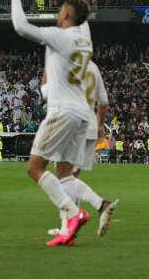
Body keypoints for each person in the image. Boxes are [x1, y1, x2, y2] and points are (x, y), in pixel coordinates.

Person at [8, 0, 93, 246]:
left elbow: (21, 27)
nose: (58, 12)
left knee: (34, 168)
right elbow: (82, 20)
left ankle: (72, 212)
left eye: (62, 9)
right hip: (82, 114)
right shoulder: (84, 38)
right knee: (64, 171)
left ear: (67, 13)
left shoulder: (61, 37)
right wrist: (77, 0)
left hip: (63, 111)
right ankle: (68, 232)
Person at [43, 61, 118, 238]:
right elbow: (104, 101)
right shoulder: (91, 66)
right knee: (70, 178)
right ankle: (68, 226)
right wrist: (100, 126)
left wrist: (47, 67)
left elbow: (46, 92)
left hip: (72, 124)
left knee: (63, 177)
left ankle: (98, 205)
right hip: (90, 124)